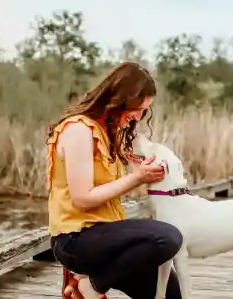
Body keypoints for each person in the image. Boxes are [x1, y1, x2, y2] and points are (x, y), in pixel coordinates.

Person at [46, 62, 184, 299]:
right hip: (75, 239)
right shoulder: (78, 130)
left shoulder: (108, 132)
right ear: (120, 100)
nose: (139, 117)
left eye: (145, 111)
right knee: (167, 238)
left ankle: (83, 282)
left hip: (105, 232)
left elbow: (111, 189)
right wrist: (136, 178)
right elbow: (82, 199)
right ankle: (93, 285)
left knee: (169, 291)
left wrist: (147, 172)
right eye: (138, 109)